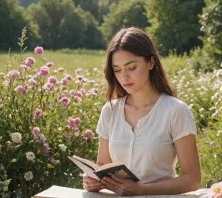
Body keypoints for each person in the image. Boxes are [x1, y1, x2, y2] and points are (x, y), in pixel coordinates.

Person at [82, 27, 201, 196]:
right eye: (117, 70)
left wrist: (140, 190)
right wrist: (94, 181)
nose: (124, 77)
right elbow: (103, 165)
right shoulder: (110, 111)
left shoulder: (176, 111)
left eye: (131, 67)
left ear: (150, 62)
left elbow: (193, 179)